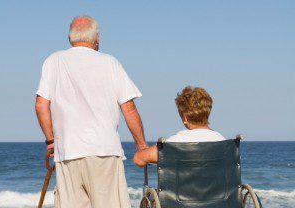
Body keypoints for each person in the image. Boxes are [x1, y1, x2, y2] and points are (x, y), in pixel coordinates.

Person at [35, 15, 148, 208]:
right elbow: (128, 108)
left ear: (70, 37)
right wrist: (142, 147)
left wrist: (51, 141)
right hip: (103, 150)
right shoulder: (110, 63)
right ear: (97, 38)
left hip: (68, 152)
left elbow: (40, 105)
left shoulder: (53, 61)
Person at [133, 86, 226, 167]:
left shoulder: (174, 144)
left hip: (182, 188)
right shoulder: (225, 144)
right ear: (208, 113)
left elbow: (138, 159)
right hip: (218, 188)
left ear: (184, 117)